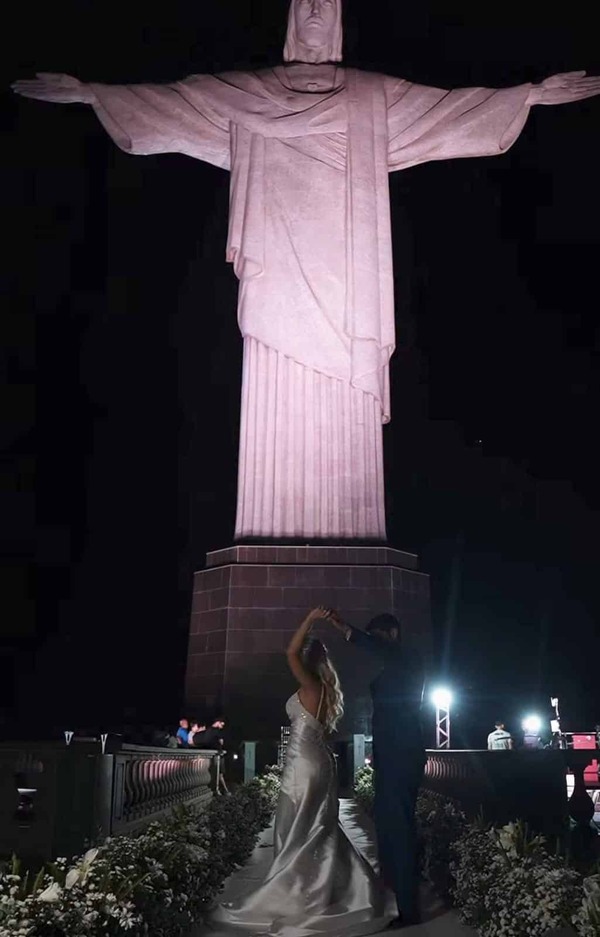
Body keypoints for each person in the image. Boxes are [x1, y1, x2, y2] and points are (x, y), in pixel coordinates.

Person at [12, 3, 600, 545]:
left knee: (347, 379)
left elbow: (451, 110)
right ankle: (267, 532)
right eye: (307, 13)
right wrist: (94, 94)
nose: (316, 23)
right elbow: (172, 104)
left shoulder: (373, 95)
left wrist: (526, 96)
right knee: (273, 369)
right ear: (293, 24)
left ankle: (354, 534)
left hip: (348, 271)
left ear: (338, 25)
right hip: (278, 268)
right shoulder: (249, 93)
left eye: (327, 14)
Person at [210, 606, 390, 935]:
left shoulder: (309, 685)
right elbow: (326, 733)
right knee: (317, 828)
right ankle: (328, 890)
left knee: (294, 828)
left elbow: (289, 651)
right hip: (318, 759)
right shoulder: (325, 691)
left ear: (306, 659)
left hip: (303, 763)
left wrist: (310, 619)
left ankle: (298, 895)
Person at [326, 610, 426, 929]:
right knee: (388, 826)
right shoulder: (398, 664)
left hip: (401, 754)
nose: (376, 644)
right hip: (392, 754)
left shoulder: (405, 659)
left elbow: (376, 648)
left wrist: (343, 627)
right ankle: (396, 895)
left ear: (391, 635)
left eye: (378, 637)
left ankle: (409, 909)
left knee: (399, 828)